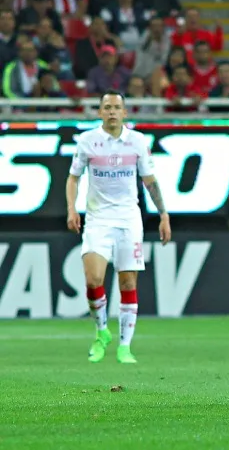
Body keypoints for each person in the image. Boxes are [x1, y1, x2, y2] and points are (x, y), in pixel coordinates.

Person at [65, 91, 172, 364]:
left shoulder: (137, 141)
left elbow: (150, 181)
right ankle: (101, 331)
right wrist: (71, 209)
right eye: (107, 107)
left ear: (125, 113)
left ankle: (125, 346)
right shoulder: (88, 141)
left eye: (116, 107)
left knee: (127, 281)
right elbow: (73, 178)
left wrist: (163, 214)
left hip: (128, 219)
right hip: (97, 219)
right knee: (93, 279)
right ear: (100, 112)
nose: (112, 111)